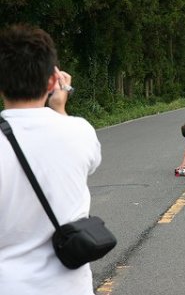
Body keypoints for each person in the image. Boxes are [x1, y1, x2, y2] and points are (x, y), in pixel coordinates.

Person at [0, 24, 101, 294]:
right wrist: (60, 108)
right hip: (70, 287)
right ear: (52, 80)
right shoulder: (79, 131)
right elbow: (91, 162)